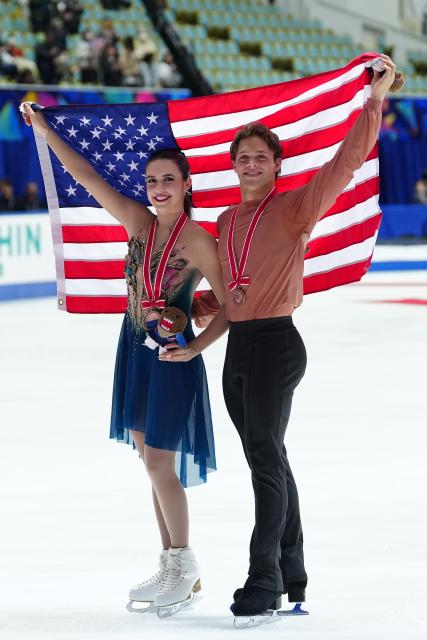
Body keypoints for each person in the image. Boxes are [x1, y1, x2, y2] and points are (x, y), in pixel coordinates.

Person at [162, 53, 398, 624]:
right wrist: (184, 309)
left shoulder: (294, 208)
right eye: (241, 158)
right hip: (239, 345)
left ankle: (262, 579)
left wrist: (374, 101)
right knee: (269, 459)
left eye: (258, 158)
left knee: (266, 460)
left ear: (275, 164)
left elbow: (343, 164)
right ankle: (294, 573)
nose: (249, 165)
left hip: (278, 345)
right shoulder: (224, 223)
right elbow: (228, 294)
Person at [20, 101, 228, 615]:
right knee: (149, 461)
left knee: (161, 460)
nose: (158, 189)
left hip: (172, 360)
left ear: (186, 185)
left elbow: (231, 306)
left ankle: (185, 563)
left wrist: (197, 346)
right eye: (152, 180)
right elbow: (86, 175)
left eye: (168, 180)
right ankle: (172, 563)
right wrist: (45, 130)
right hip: (134, 349)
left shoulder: (201, 241)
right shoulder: (137, 221)